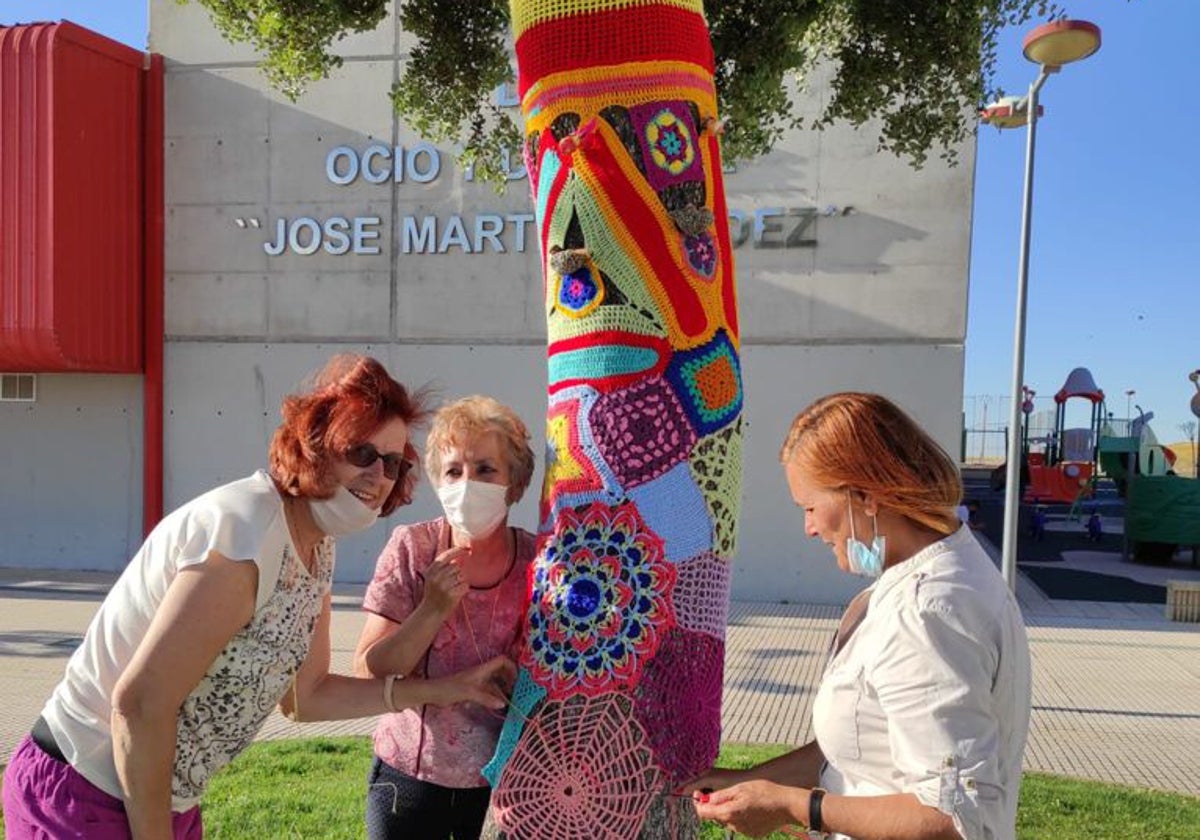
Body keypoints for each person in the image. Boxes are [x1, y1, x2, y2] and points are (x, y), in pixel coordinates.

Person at [2, 355, 514, 840]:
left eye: (392, 463)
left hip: (156, 797)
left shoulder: (316, 544)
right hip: (82, 790)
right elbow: (140, 704)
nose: (379, 477)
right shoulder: (246, 533)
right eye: (362, 453)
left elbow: (305, 697)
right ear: (316, 443)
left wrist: (447, 690)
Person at [684, 392, 1032, 840]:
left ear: (865, 495)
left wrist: (795, 806)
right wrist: (750, 782)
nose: (808, 528)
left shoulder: (926, 611)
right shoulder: (934, 570)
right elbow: (858, 747)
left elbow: (952, 821)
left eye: (810, 507)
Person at [354, 395, 538, 840]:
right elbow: (367, 671)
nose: (468, 482)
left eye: (485, 469)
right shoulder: (412, 549)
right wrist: (433, 609)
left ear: (513, 484)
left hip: (506, 785)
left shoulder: (538, 559)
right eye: (454, 470)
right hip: (410, 782)